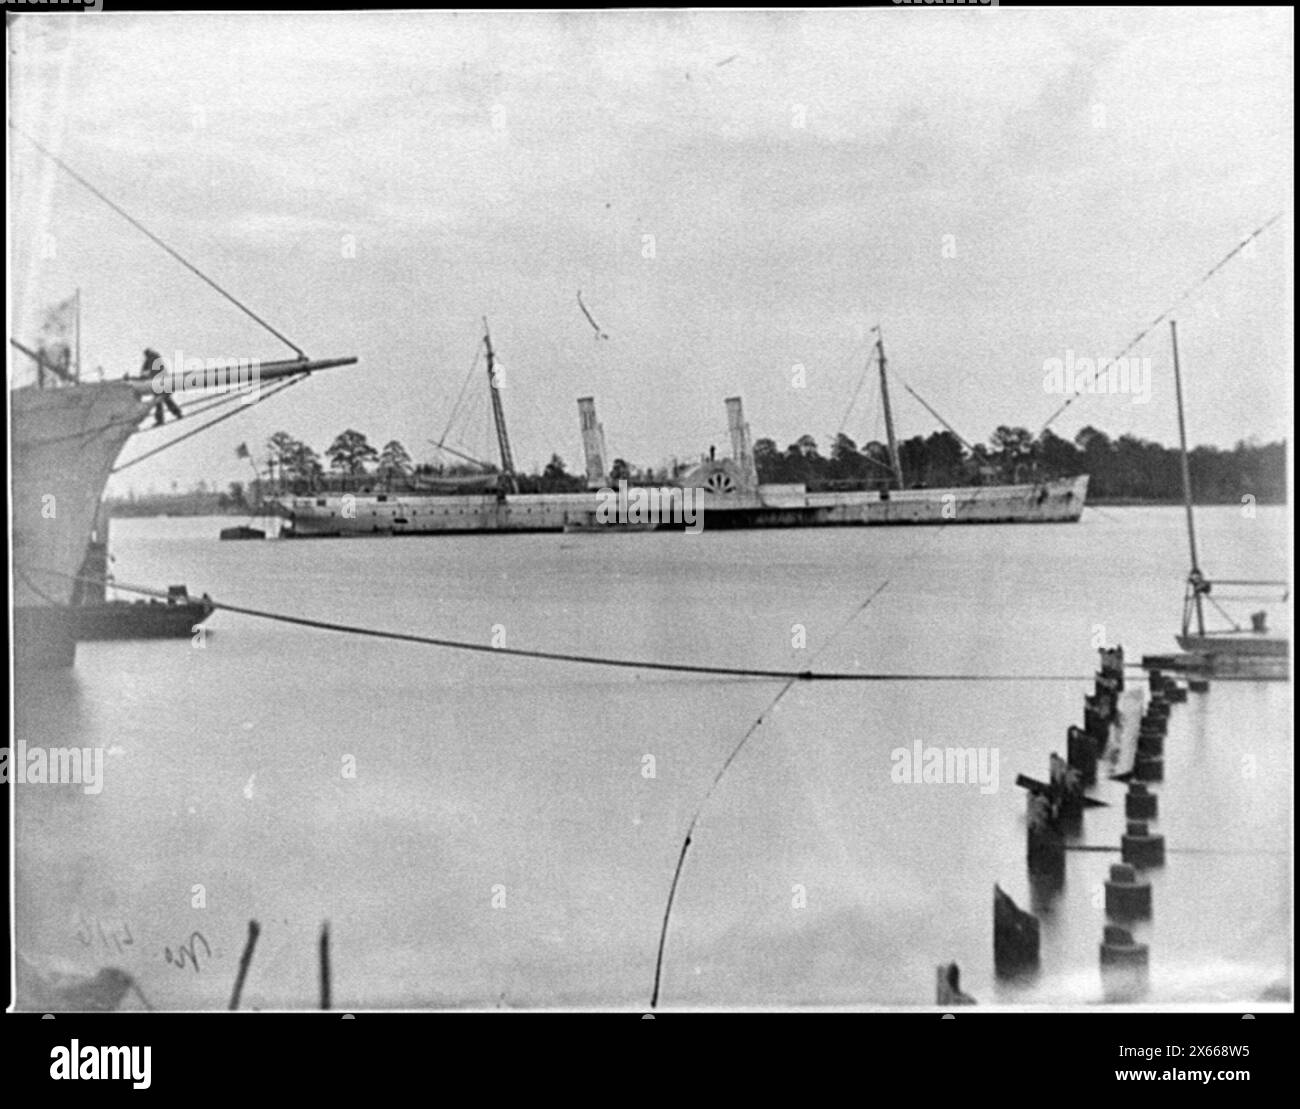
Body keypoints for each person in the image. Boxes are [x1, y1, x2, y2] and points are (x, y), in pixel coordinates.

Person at [141, 348, 182, 425]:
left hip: (158, 384)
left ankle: (160, 420)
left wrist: (143, 378)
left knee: (159, 402)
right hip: (163, 383)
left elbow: (146, 371)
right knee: (167, 400)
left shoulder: (151, 359)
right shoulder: (156, 358)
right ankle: (177, 413)